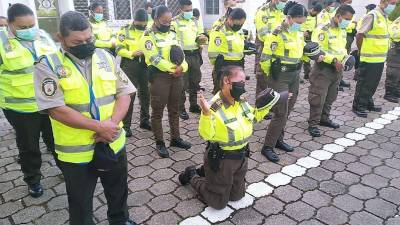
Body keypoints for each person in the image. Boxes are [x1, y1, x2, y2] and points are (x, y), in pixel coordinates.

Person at [33, 11, 137, 225]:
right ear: (60, 39)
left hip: (113, 141)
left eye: (89, 39)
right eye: (77, 42)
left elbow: (124, 93)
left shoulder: (105, 57)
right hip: (77, 152)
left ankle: (120, 220)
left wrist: (111, 125)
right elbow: (56, 109)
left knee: (118, 190)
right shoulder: (47, 65)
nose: (86, 44)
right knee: (80, 204)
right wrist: (99, 127)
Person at [178, 66, 281, 209]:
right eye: (240, 82)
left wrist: (270, 103)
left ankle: (207, 172)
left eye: (244, 82)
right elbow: (206, 134)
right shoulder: (214, 106)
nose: (243, 86)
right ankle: (192, 176)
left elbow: (254, 117)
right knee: (218, 202)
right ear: (227, 81)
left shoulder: (241, 100)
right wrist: (206, 115)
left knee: (237, 196)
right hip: (222, 159)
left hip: (241, 157)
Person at [0, 3, 56, 198]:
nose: (29, 30)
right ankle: (33, 179)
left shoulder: (43, 35)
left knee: (55, 139)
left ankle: (66, 169)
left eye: (31, 25)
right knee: (29, 146)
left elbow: (57, 60)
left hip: (50, 102)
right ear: (10, 25)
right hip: (20, 108)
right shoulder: (1, 41)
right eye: (23, 27)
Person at [140, 6, 192, 158]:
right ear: (155, 20)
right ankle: (160, 142)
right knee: (157, 112)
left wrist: (182, 67)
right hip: (159, 78)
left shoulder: (173, 34)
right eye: (164, 21)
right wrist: (173, 69)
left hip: (177, 76)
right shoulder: (147, 37)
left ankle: (175, 138)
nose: (168, 24)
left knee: (174, 108)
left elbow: (182, 55)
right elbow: (154, 58)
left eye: (170, 21)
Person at [259, 1, 307, 162]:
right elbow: (265, 58)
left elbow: (300, 52)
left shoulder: (298, 33)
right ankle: (268, 146)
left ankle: (279, 139)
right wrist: (271, 76)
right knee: (280, 112)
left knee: (289, 108)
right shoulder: (276, 34)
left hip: (294, 75)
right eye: (298, 22)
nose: (300, 25)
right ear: (289, 18)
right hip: (279, 76)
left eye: (302, 22)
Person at [308, 4, 355, 137]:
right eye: (346, 19)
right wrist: (334, 60)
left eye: (350, 20)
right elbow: (318, 50)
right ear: (338, 16)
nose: (348, 22)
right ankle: (313, 123)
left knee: (331, 96)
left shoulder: (342, 29)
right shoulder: (323, 29)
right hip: (323, 68)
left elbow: (342, 48)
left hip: (337, 69)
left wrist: (346, 57)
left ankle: (324, 118)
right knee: (318, 96)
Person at [352, 0, 395, 118]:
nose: (393, 5)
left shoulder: (384, 16)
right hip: (369, 57)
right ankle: (358, 106)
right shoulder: (372, 15)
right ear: (383, 1)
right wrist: (361, 51)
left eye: (395, 3)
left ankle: (368, 102)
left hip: (379, 58)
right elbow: (360, 34)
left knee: (373, 83)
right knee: (364, 83)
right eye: (392, 2)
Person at [116, 9, 151, 136]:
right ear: (134, 20)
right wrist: (131, 53)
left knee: (146, 94)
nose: (142, 25)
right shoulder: (124, 30)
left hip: (145, 65)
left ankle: (145, 121)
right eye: (140, 23)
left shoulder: (149, 30)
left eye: (144, 23)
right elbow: (119, 48)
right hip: (130, 64)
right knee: (129, 95)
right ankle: (126, 125)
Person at [172, 0, 208, 120]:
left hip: (195, 55)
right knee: (182, 84)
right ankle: (181, 109)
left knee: (195, 81)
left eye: (191, 10)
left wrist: (202, 38)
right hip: (183, 57)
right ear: (180, 10)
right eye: (187, 10)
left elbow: (200, 34)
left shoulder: (195, 21)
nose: (189, 12)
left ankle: (193, 105)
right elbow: (173, 40)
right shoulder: (174, 22)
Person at [208, 8, 248, 94]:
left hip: (238, 65)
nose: (239, 26)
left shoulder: (238, 30)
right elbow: (213, 54)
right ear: (230, 19)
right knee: (222, 94)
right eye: (237, 24)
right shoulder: (219, 31)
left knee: (236, 92)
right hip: (224, 66)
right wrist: (219, 68)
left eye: (242, 24)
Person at [254, 0, 287, 100]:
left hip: (280, 49)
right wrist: (277, 37)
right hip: (266, 48)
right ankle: (261, 107)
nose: (284, 3)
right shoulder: (263, 12)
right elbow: (263, 36)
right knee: (263, 79)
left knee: (277, 76)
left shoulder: (284, 11)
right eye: (282, 1)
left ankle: (275, 103)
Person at [301, 3, 323, 81]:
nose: (316, 14)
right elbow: (299, 25)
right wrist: (303, 32)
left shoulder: (317, 17)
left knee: (311, 56)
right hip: (303, 38)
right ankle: (305, 73)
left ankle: (308, 73)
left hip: (312, 38)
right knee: (302, 56)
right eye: (315, 12)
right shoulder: (304, 14)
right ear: (313, 9)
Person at [384, 12, 400, 103]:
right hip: (396, 50)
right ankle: (389, 94)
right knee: (393, 73)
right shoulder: (398, 21)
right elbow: (394, 33)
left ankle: (397, 91)